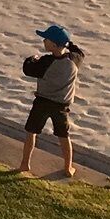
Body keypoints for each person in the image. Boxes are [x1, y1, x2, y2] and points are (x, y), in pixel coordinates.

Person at [18, 24, 84, 177]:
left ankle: (24, 163)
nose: (44, 42)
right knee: (63, 135)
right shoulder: (74, 60)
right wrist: (69, 44)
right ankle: (68, 167)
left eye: (46, 40)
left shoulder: (46, 62)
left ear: (53, 44)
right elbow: (79, 52)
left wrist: (31, 59)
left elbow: (28, 69)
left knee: (31, 132)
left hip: (42, 102)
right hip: (61, 105)